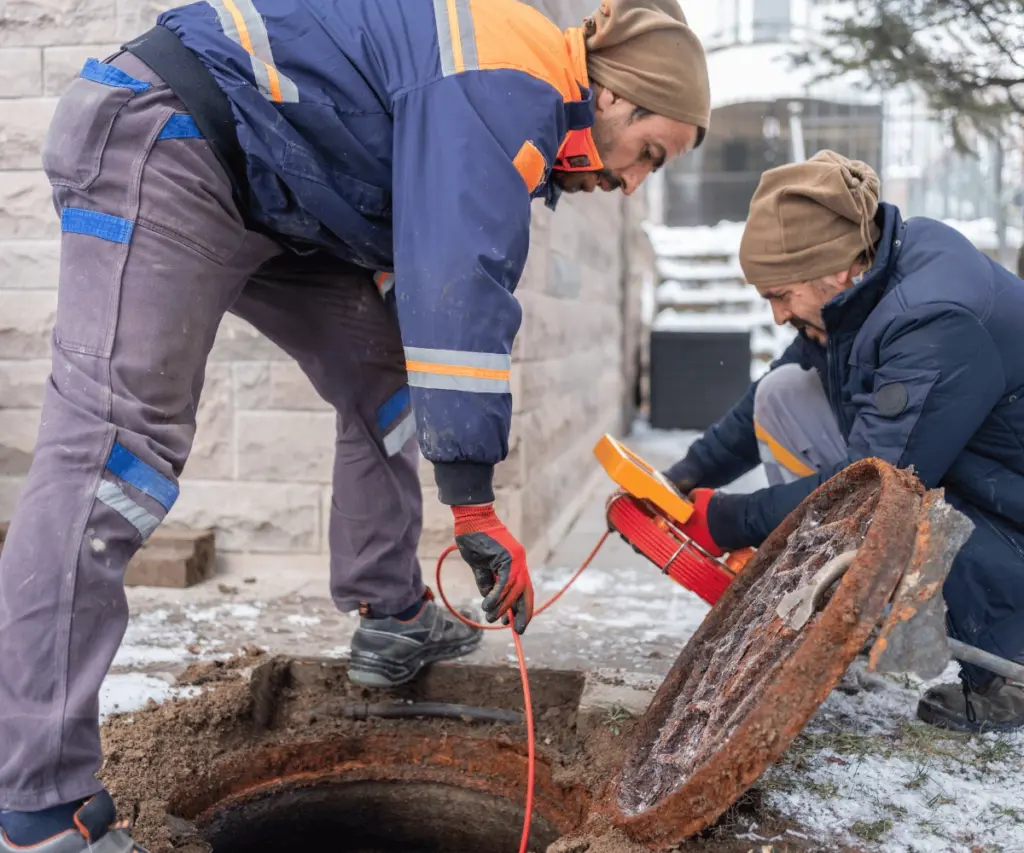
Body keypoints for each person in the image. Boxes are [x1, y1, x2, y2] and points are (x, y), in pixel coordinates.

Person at [0, 0, 711, 847]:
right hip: (168, 134)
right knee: (116, 456)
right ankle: (39, 801)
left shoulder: (520, 99)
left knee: (387, 379)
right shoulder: (509, 83)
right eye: (648, 155)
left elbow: (424, 279)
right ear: (613, 98)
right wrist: (475, 508)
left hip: (272, 188)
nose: (632, 182)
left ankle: (391, 613)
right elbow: (461, 291)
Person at [665, 149, 1024, 736]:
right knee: (785, 392)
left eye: (780, 294)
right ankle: (834, 599)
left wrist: (727, 521)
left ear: (834, 269)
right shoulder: (868, 279)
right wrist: (685, 477)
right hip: (969, 473)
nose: (779, 314)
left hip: (1009, 520)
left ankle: (1008, 674)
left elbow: (875, 483)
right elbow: (779, 379)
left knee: (898, 502)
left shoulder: (933, 319)